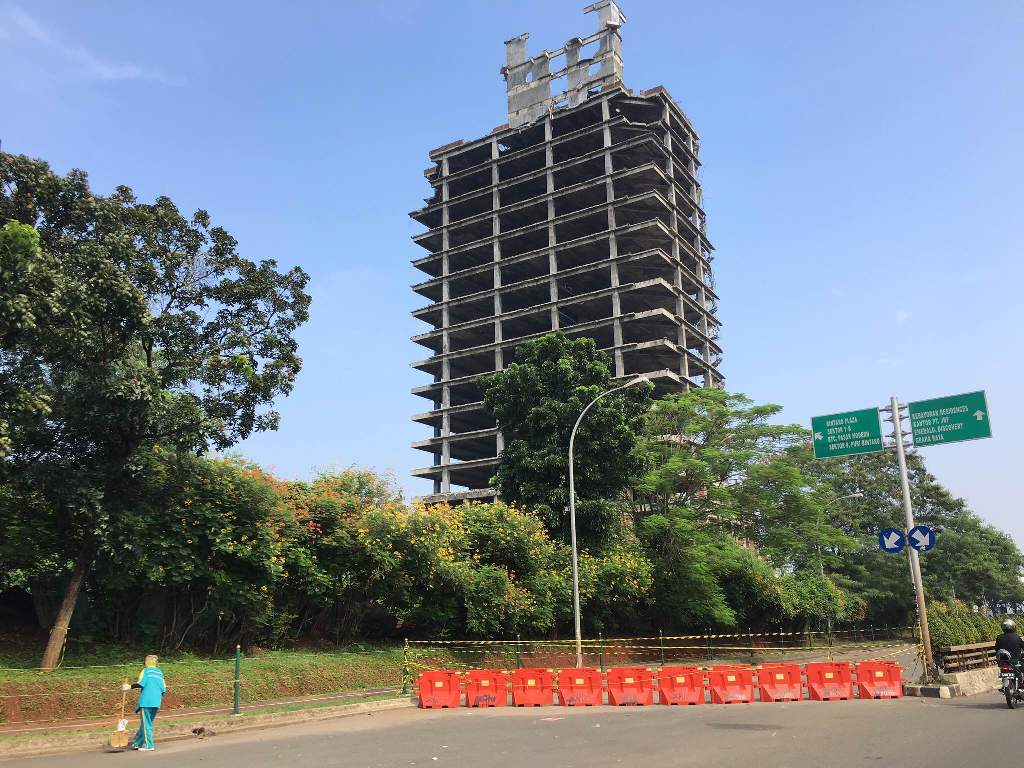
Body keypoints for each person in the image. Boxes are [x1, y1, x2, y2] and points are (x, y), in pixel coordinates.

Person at [122, 655, 166, 752]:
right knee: (146, 724)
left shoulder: (146, 671)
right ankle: (137, 743)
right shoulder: (160, 673)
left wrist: (129, 687)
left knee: (147, 725)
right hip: (156, 702)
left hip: (146, 702)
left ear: (146, 661)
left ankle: (148, 745)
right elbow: (163, 689)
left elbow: (141, 683)